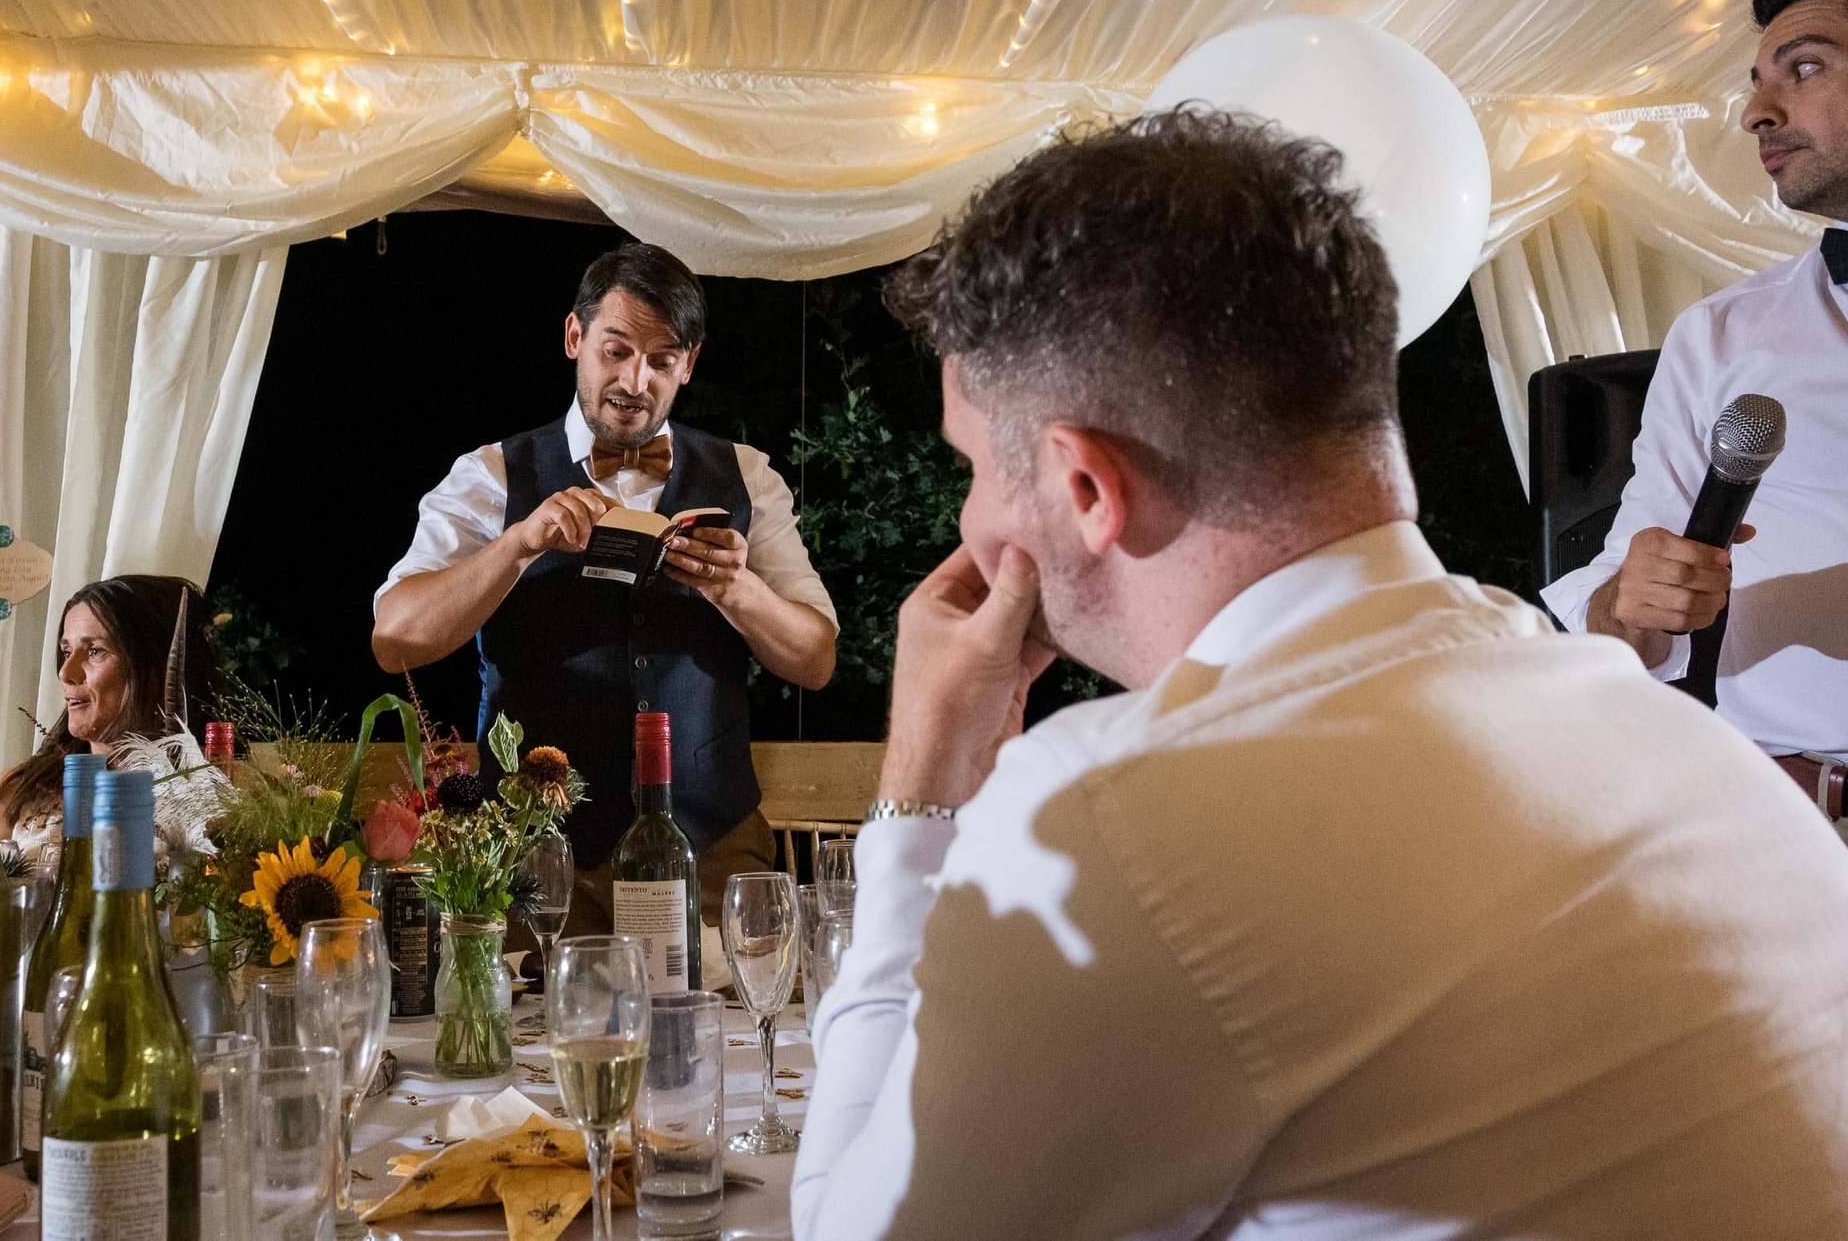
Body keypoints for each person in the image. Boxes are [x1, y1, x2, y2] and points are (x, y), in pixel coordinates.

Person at [791, 109, 1848, 1240]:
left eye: (970, 466)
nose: (968, 518)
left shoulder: (1122, 814)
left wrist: (922, 788)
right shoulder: (1651, 729)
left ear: (1086, 488)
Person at [372, 243, 836, 929]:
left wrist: (740, 591)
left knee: (733, 1033)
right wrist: (518, 544)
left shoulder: (748, 477)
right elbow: (395, 640)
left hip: (709, 850)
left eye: (662, 361)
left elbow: (816, 659)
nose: (635, 380)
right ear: (574, 337)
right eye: (615, 351)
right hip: (535, 861)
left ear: (689, 364)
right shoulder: (491, 476)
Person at [1542, 0, 1848, 812]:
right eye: (1757, 83)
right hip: (1794, 832)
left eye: (1806, 67)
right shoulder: (1721, 335)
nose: (1757, 112)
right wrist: (1629, 603)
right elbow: (1623, 624)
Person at [0, 574, 218, 867]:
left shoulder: (215, 795)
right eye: (66, 651)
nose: (66, 672)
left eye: (94, 651)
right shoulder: (15, 793)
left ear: (155, 669)